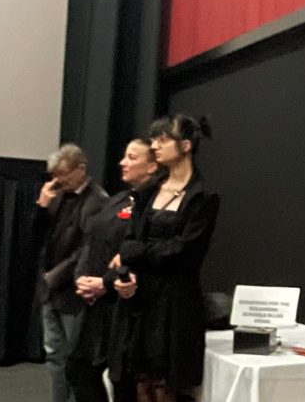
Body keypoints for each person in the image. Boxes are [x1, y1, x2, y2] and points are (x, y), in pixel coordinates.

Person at [110, 114, 220, 402]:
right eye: (153, 140)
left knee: (166, 387)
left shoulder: (203, 196)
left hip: (175, 304)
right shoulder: (148, 191)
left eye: (162, 140)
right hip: (141, 299)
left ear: (185, 146)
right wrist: (127, 272)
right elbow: (130, 239)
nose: (155, 146)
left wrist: (136, 253)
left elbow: (184, 252)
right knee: (140, 384)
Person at [65, 139, 160, 402]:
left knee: (123, 382)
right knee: (78, 369)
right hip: (95, 304)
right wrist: (81, 277)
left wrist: (105, 283)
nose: (122, 162)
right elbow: (91, 239)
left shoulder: (155, 204)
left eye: (132, 157)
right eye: (124, 156)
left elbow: (140, 252)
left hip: (124, 303)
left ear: (152, 166)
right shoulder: (119, 199)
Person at [36, 143, 108, 402]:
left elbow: (86, 249)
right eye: (54, 175)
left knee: (75, 359)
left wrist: (56, 275)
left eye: (63, 174)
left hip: (74, 292)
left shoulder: (98, 200)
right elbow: (37, 237)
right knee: (54, 355)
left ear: (81, 169)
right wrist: (41, 207)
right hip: (50, 289)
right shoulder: (56, 194)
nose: (58, 180)